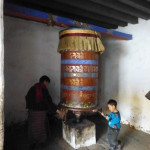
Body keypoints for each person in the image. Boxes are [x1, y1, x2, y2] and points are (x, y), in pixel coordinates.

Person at [25, 75, 63, 149]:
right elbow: (48, 102)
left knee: (32, 128)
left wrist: (30, 108)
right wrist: (58, 111)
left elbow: (27, 97)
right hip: (40, 113)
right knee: (40, 128)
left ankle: (32, 142)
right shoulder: (43, 89)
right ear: (45, 81)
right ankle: (39, 144)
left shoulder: (33, 88)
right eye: (47, 83)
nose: (47, 85)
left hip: (31, 112)